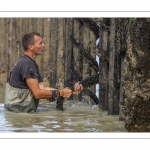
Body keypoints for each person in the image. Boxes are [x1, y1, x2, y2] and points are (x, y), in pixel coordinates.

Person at [4, 32, 83, 113]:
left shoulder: (28, 62)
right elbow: (37, 94)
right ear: (31, 47)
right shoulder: (27, 64)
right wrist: (61, 92)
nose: (44, 45)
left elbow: (42, 89)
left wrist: (69, 91)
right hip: (18, 113)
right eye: (40, 43)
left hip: (17, 110)